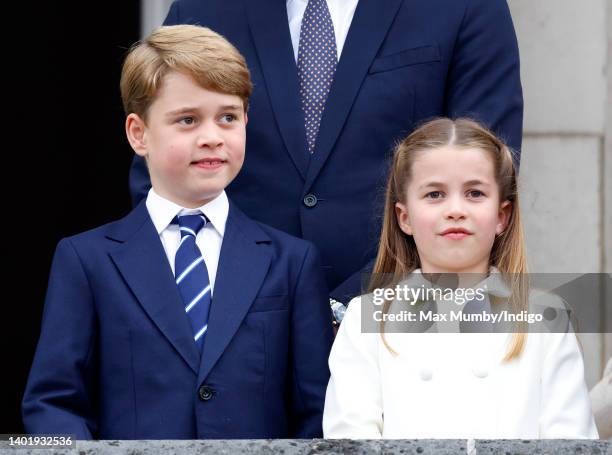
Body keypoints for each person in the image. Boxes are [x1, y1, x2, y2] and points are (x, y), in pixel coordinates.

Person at [22, 24, 333, 439]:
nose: (211, 137)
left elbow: (317, 412)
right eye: (187, 120)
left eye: (227, 117)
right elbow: (53, 404)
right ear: (139, 133)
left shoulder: (292, 261)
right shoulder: (86, 259)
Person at [129, 0, 524, 313]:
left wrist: (357, 305)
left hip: (405, 319)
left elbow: (484, 173)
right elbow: (161, 183)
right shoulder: (204, 8)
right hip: (238, 331)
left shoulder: (469, 6)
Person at [322, 118, 598, 438]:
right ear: (405, 217)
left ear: (502, 216)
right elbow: (350, 439)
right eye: (435, 194)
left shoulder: (546, 320)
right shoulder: (365, 320)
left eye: (475, 193)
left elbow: (570, 441)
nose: (455, 209)